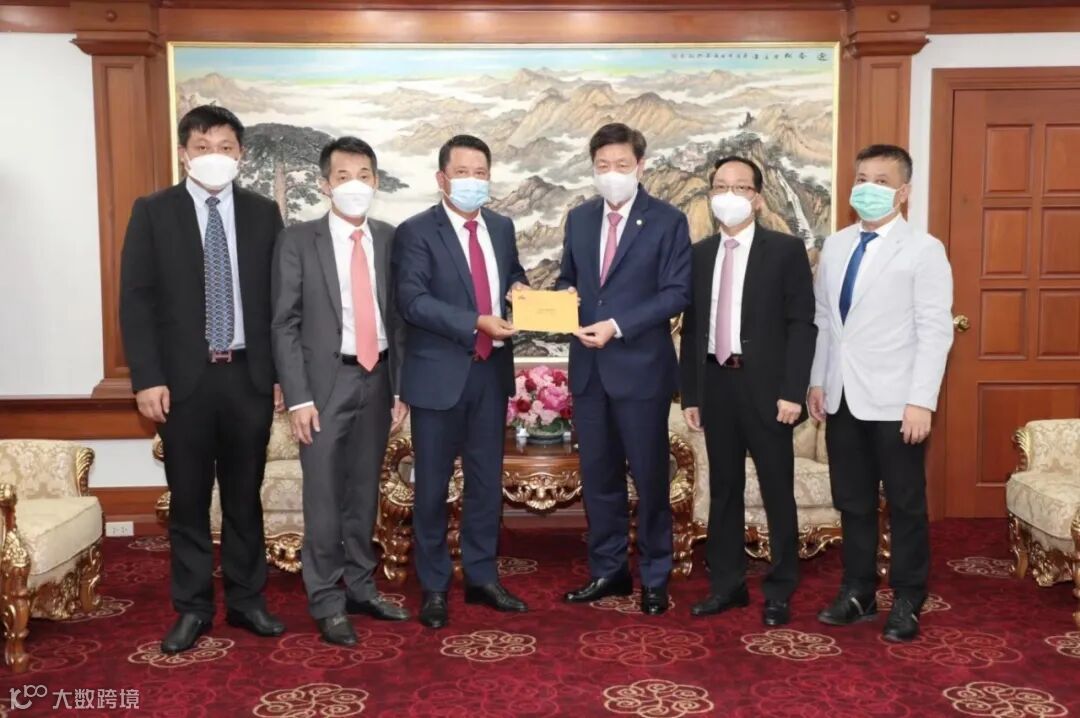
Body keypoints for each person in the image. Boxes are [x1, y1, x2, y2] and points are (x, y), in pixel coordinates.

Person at [119, 105, 285, 653]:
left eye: (226, 146)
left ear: (241, 154)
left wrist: (280, 375)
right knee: (188, 500)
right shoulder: (153, 211)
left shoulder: (263, 213)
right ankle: (192, 608)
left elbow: (279, 303)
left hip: (247, 376)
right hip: (182, 382)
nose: (216, 155)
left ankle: (246, 601)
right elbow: (136, 301)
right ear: (183, 154)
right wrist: (146, 378)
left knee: (244, 496)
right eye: (203, 146)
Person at [808, 144, 954, 642]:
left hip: (898, 401)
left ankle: (909, 597)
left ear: (904, 191)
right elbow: (824, 320)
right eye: (862, 178)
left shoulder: (923, 250)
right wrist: (818, 379)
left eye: (881, 181)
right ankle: (858, 591)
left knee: (905, 502)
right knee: (852, 501)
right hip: (843, 395)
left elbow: (935, 330)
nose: (868, 188)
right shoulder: (837, 245)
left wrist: (922, 401)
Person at [271, 136, 410, 646]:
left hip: (379, 378)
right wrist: (299, 397)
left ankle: (361, 588)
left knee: (364, 492)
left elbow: (399, 318)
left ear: (376, 181)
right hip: (324, 387)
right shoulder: (298, 240)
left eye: (364, 176)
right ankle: (326, 600)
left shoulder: (390, 238)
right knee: (325, 497)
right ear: (325, 184)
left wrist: (400, 388)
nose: (356, 185)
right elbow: (284, 323)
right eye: (344, 176)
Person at [392, 135, 529, 629]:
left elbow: (511, 276)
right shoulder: (415, 231)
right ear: (442, 178)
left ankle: (481, 576)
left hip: (491, 375)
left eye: (481, 172)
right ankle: (433, 585)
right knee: (431, 487)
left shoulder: (501, 227)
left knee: (486, 484)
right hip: (437, 378)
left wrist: (518, 291)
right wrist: (475, 322)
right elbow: (413, 300)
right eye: (463, 172)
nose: (473, 180)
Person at [558, 123, 691, 615]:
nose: (611, 173)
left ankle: (655, 576)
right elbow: (569, 278)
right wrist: (563, 296)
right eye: (602, 166)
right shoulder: (579, 218)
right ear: (592, 169)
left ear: (640, 165)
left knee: (650, 479)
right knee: (599, 479)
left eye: (621, 164)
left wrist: (617, 325)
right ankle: (609, 571)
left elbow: (677, 292)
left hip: (641, 371)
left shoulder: (668, 220)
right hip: (589, 371)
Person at [679, 156, 816, 626]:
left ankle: (780, 588)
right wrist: (691, 394)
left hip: (769, 391)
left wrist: (793, 391)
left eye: (740, 187)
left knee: (777, 489)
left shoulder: (785, 250)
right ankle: (727, 585)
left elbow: (802, 325)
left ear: (757, 198)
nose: (729, 195)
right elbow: (692, 328)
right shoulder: (699, 254)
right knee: (724, 489)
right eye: (720, 186)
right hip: (716, 384)